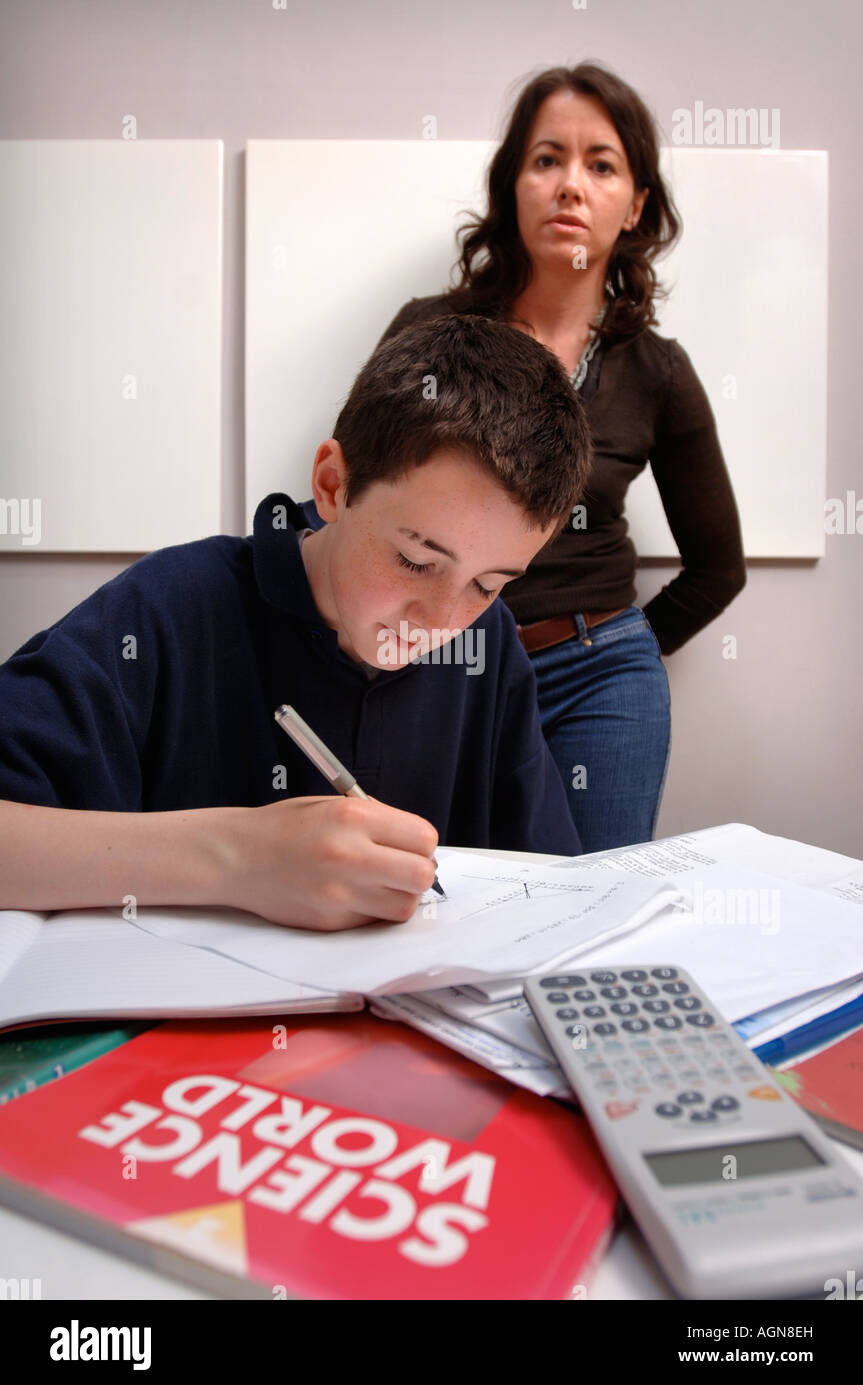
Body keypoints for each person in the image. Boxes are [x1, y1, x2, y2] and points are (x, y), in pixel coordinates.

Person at [0, 315, 592, 932]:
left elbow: (551, 885)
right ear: (334, 485)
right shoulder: (169, 608)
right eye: (416, 560)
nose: (439, 624)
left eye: (487, 584)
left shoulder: (486, 644)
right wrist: (236, 858)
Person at [375, 62, 747, 853]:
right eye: (546, 160)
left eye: (600, 164)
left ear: (635, 203)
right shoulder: (428, 329)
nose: (570, 186)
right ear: (513, 183)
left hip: (597, 679)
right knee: (435, 906)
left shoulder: (658, 370)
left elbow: (718, 570)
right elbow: (360, 504)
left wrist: (617, 643)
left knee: (583, 914)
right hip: (439, 662)